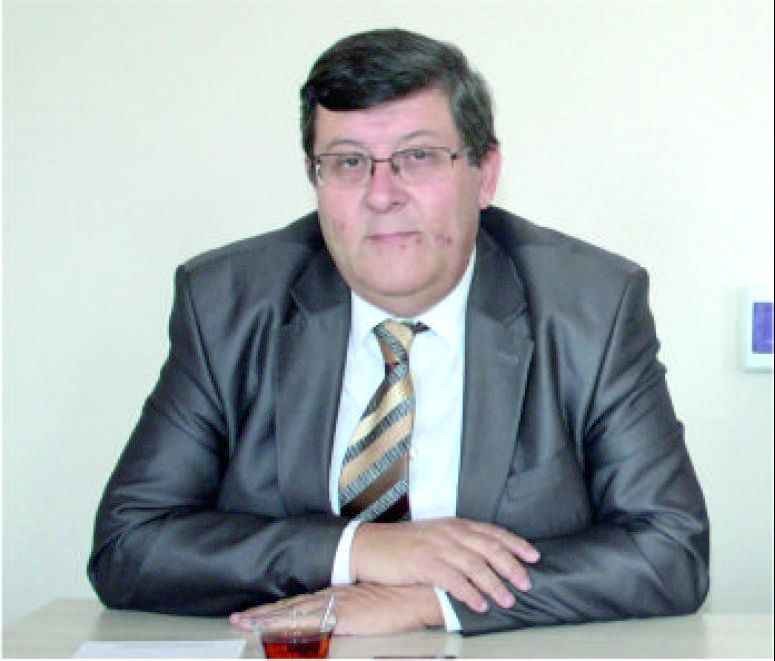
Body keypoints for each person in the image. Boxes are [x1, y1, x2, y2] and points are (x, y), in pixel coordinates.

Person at [87, 28, 709, 636]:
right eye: (348, 162)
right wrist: (361, 549)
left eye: (419, 157)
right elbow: (128, 544)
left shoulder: (589, 308)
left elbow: (670, 551)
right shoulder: (228, 304)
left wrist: (430, 602)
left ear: (485, 174)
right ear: (315, 178)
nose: (382, 195)